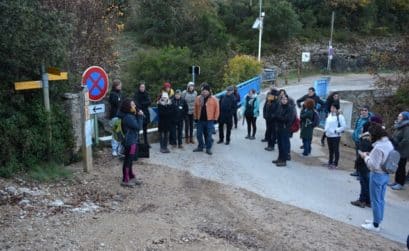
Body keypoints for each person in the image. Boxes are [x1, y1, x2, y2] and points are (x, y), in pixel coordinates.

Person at [359, 123, 394, 232]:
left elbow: (372, 165)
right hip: (385, 174)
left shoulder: (378, 147)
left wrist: (365, 157)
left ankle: (375, 225)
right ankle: (377, 220)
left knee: (375, 200)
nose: (369, 137)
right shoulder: (388, 143)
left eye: (370, 135)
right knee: (381, 199)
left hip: (377, 175)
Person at [118, 99, 143, 187]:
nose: (134, 106)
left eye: (134, 105)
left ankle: (131, 176)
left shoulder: (130, 115)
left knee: (130, 159)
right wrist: (140, 117)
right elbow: (138, 127)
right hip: (130, 142)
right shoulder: (128, 117)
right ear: (128, 107)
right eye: (132, 105)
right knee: (128, 160)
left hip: (132, 140)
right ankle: (125, 179)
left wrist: (137, 115)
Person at [193, 83, 220, 155]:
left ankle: (208, 148)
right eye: (202, 91)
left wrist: (216, 119)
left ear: (208, 91)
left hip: (209, 120)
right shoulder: (198, 98)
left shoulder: (214, 99)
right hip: (200, 120)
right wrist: (195, 117)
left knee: (208, 135)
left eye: (205, 91)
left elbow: (217, 109)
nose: (203, 93)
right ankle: (200, 146)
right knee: (198, 134)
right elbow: (195, 108)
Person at [351, 121, 373, 208]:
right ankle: (368, 200)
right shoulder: (372, 139)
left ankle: (362, 200)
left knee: (363, 182)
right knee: (367, 183)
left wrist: (360, 153)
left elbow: (362, 152)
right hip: (368, 164)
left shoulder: (365, 139)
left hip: (363, 164)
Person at [273, 95, 296, 167]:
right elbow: (276, 115)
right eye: (283, 99)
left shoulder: (290, 108)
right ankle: (280, 158)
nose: (284, 100)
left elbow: (287, 119)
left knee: (284, 145)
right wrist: (277, 117)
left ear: (288, 100)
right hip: (279, 128)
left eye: (285, 99)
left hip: (285, 129)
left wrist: (278, 117)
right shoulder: (279, 106)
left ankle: (284, 160)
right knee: (279, 145)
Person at [389, 111, 409, 190]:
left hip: (403, 151)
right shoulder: (400, 126)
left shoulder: (407, 127)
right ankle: (396, 181)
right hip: (397, 150)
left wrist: (397, 145)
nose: (398, 117)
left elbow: (406, 140)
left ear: (404, 118)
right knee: (397, 167)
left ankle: (400, 183)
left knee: (401, 167)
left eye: (400, 116)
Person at [351, 105, 373, 176]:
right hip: (357, 140)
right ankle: (357, 171)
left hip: (364, 141)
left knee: (362, 157)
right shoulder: (359, 118)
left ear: (368, 111)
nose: (363, 111)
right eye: (362, 110)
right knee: (357, 156)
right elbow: (356, 128)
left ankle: (361, 173)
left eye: (365, 110)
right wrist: (354, 136)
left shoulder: (369, 120)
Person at [323, 103, 346, 169]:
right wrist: (325, 131)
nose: (332, 109)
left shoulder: (340, 116)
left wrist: (336, 130)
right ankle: (330, 162)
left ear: (336, 109)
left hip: (335, 136)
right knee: (330, 150)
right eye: (331, 108)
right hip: (329, 135)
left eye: (333, 108)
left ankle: (335, 163)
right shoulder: (329, 115)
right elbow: (327, 124)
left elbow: (344, 126)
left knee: (336, 150)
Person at [108, 79, 123, 157]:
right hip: (115, 116)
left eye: (120, 84)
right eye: (119, 85)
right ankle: (114, 149)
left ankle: (119, 149)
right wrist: (119, 101)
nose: (120, 86)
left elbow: (122, 103)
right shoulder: (112, 94)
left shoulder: (121, 93)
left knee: (120, 133)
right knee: (115, 133)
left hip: (121, 116)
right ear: (115, 86)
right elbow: (116, 103)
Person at [134, 82, 152, 147]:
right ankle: (137, 143)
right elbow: (135, 103)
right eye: (141, 87)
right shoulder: (136, 94)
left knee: (145, 129)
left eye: (143, 87)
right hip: (139, 112)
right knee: (138, 128)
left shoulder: (146, 93)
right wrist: (142, 105)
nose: (142, 88)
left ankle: (146, 142)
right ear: (139, 87)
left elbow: (149, 102)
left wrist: (142, 104)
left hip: (146, 112)